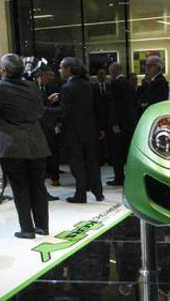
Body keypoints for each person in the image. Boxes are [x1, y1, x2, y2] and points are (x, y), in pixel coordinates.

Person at [0, 53, 51, 239]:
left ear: (4, 70)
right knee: (38, 186)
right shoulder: (33, 86)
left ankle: (27, 230)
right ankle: (43, 227)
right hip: (37, 143)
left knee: (20, 188)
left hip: (12, 145)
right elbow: (40, 111)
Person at [46, 57, 103, 203]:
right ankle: (98, 193)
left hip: (73, 133)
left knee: (76, 164)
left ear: (68, 69)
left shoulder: (67, 87)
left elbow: (65, 111)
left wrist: (46, 109)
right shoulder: (89, 85)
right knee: (91, 162)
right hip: (89, 131)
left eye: (61, 68)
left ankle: (80, 194)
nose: (59, 70)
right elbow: (95, 109)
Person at [108, 62, 138, 186]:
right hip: (130, 122)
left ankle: (119, 178)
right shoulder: (130, 84)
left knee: (117, 153)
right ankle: (131, 177)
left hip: (120, 123)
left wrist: (115, 123)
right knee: (127, 152)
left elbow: (116, 105)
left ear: (114, 71)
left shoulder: (115, 84)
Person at [37, 70, 62, 191]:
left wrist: (56, 123)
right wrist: (48, 101)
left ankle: (54, 177)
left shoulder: (52, 87)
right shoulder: (34, 88)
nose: (49, 77)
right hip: (38, 126)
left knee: (53, 151)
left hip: (49, 124)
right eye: (47, 75)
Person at [92, 68, 110, 165]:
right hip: (98, 117)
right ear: (97, 76)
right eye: (100, 74)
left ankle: (108, 157)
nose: (102, 76)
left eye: (103, 74)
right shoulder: (93, 87)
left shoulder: (109, 86)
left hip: (108, 116)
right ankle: (101, 159)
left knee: (109, 139)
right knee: (99, 139)